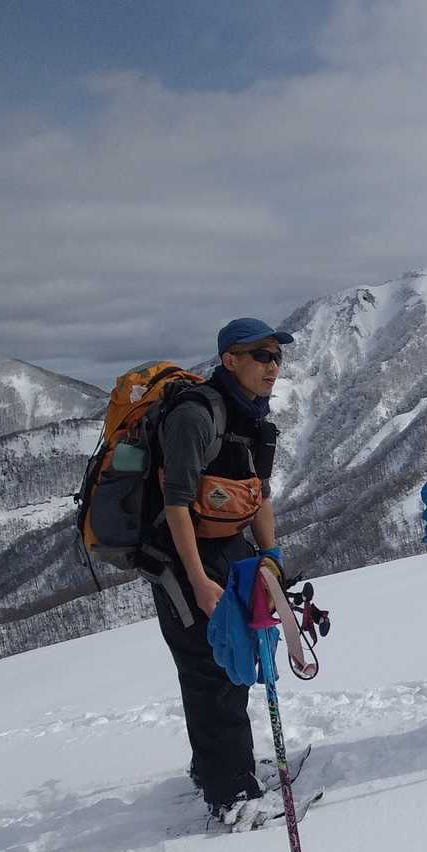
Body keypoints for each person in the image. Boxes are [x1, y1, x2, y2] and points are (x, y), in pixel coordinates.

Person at [150, 317, 291, 820]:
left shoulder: (250, 414)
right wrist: (197, 581)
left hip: (228, 548)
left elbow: (259, 494)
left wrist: (271, 557)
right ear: (230, 360)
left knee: (233, 659)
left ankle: (220, 767)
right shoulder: (196, 416)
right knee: (208, 670)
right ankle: (229, 795)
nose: (273, 366)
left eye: (277, 356)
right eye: (262, 356)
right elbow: (176, 505)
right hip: (181, 557)